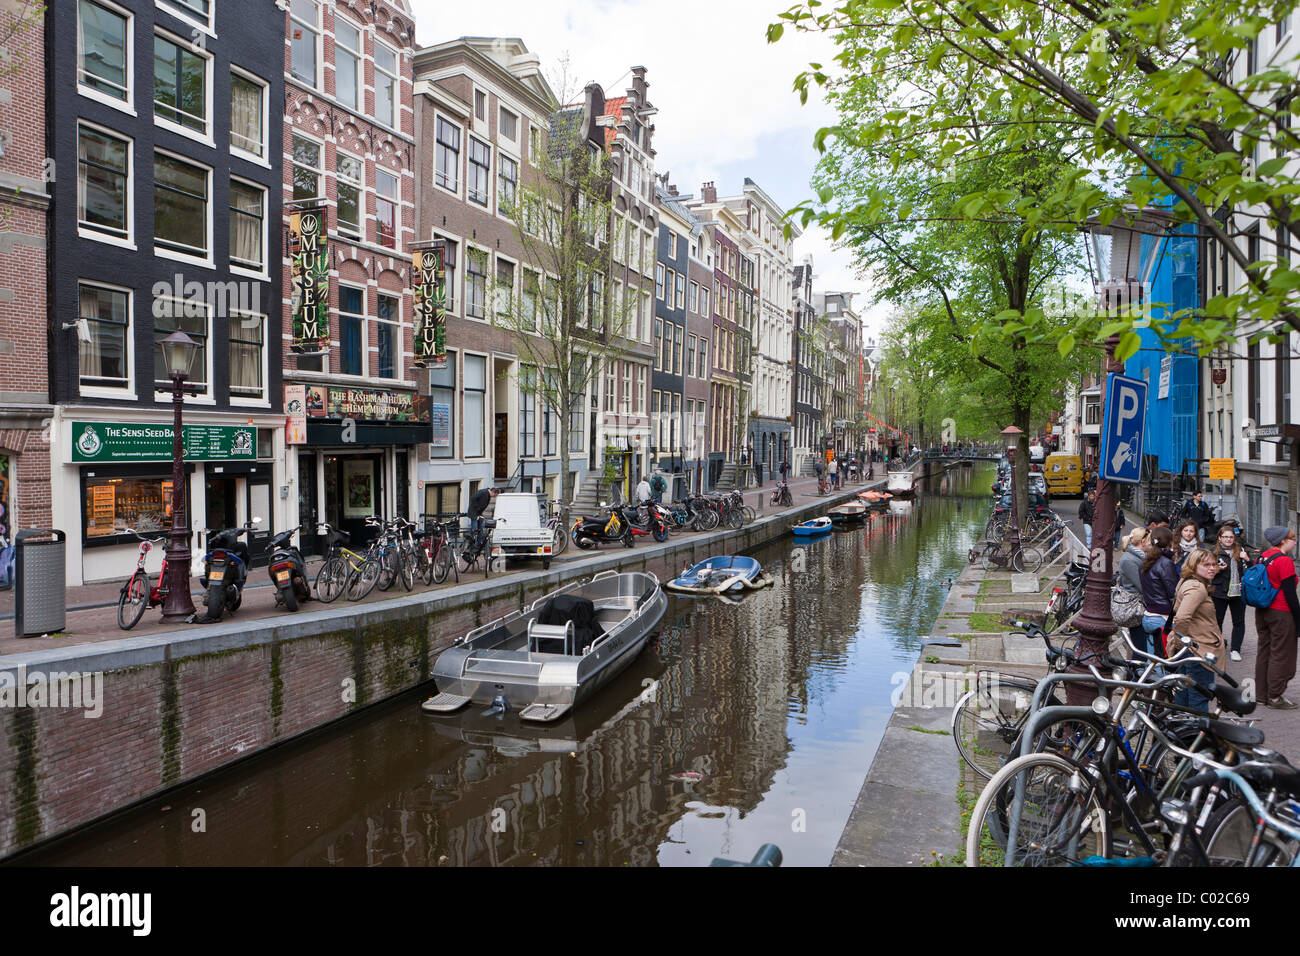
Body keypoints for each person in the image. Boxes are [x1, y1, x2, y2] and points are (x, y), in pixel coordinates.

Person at [1171, 548, 1226, 713]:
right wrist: (1181, 644)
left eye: (1214, 564)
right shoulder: (1197, 588)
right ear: (1194, 566)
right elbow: (1181, 617)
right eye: (1206, 565)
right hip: (1198, 650)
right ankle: (1197, 735)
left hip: (1192, 648)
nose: (1212, 568)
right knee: (1198, 698)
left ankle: (1182, 733)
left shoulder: (1189, 582)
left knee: (1184, 696)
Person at [1255, 526, 1300, 709]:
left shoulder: (1262, 556)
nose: (1295, 542)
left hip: (1262, 610)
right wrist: (1298, 621)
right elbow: (1290, 594)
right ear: (1282, 541)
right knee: (1281, 653)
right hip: (1281, 611)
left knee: (1264, 650)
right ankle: (1274, 696)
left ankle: (1261, 694)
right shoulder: (1284, 561)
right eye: (1292, 539)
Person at [1210, 523, 1252, 663]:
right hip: (1219, 592)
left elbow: (1252, 571)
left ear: (1234, 538)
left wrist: (1247, 559)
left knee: (1239, 621)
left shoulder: (1241, 551)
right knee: (1217, 621)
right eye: (1225, 537)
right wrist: (1217, 569)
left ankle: (1235, 649)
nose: (1228, 540)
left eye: (1231, 537)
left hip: (1237, 592)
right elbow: (1205, 572)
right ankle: (1218, 648)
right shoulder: (1213, 552)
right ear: (1220, 538)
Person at [1139, 525, 1178, 656]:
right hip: (1164, 617)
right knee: (1166, 660)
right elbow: (1173, 592)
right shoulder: (1166, 563)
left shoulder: (1145, 561)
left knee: (1153, 659)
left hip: (1149, 615)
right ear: (1170, 542)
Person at [1119, 528, 1151, 653]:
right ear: (1143, 541)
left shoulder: (1139, 558)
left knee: (1142, 644)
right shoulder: (1129, 560)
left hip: (1142, 606)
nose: (1152, 544)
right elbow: (1142, 586)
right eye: (1150, 541)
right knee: (1140, 646)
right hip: (1136, 608)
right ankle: (1137, 670)